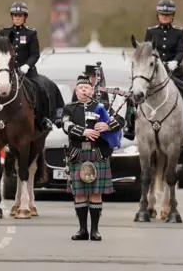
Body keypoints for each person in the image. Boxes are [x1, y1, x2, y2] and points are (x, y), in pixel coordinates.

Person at [0, 2, 53, 133]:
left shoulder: (31, 34)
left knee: (41, 88)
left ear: (25, 17)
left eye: (20, 16)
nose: (17, 18)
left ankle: (43, 119)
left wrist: (26, 66)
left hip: (27, 72)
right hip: (6, 71)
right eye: (15, 15)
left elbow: (35, 54)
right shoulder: (4, 32)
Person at [62, 74, 123, 241]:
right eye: (80, 88)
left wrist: (107, 125)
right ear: (76, 90)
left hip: (98, 153)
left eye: (87, 88)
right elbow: (65, 125)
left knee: (96, 193)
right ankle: (82, 230)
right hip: (78, 154)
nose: (83, 91)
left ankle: (95, 230)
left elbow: (120, 120)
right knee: (80, 194)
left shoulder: (101, 107)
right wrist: (83, 132)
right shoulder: (70, 108)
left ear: (92, 90)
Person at [144, 0, 183, 134]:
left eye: (168, 15)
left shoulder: (179, 32)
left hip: (175, 71)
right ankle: (131, 124)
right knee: (136, 90)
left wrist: (176, 62)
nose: (165, 17)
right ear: (158, 15)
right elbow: (147, 51)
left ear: (172, 16)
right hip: (155, 72)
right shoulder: (151, 32)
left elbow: (181, 50)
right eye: (162, 14)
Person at [71, 64, 132, 140]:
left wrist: (107, 125)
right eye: (88, 75)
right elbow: (74, 106)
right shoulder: (79, 90)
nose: (90, 78)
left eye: (93, 76)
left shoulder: (102, 91)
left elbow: (106, 108)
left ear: (96, 77)